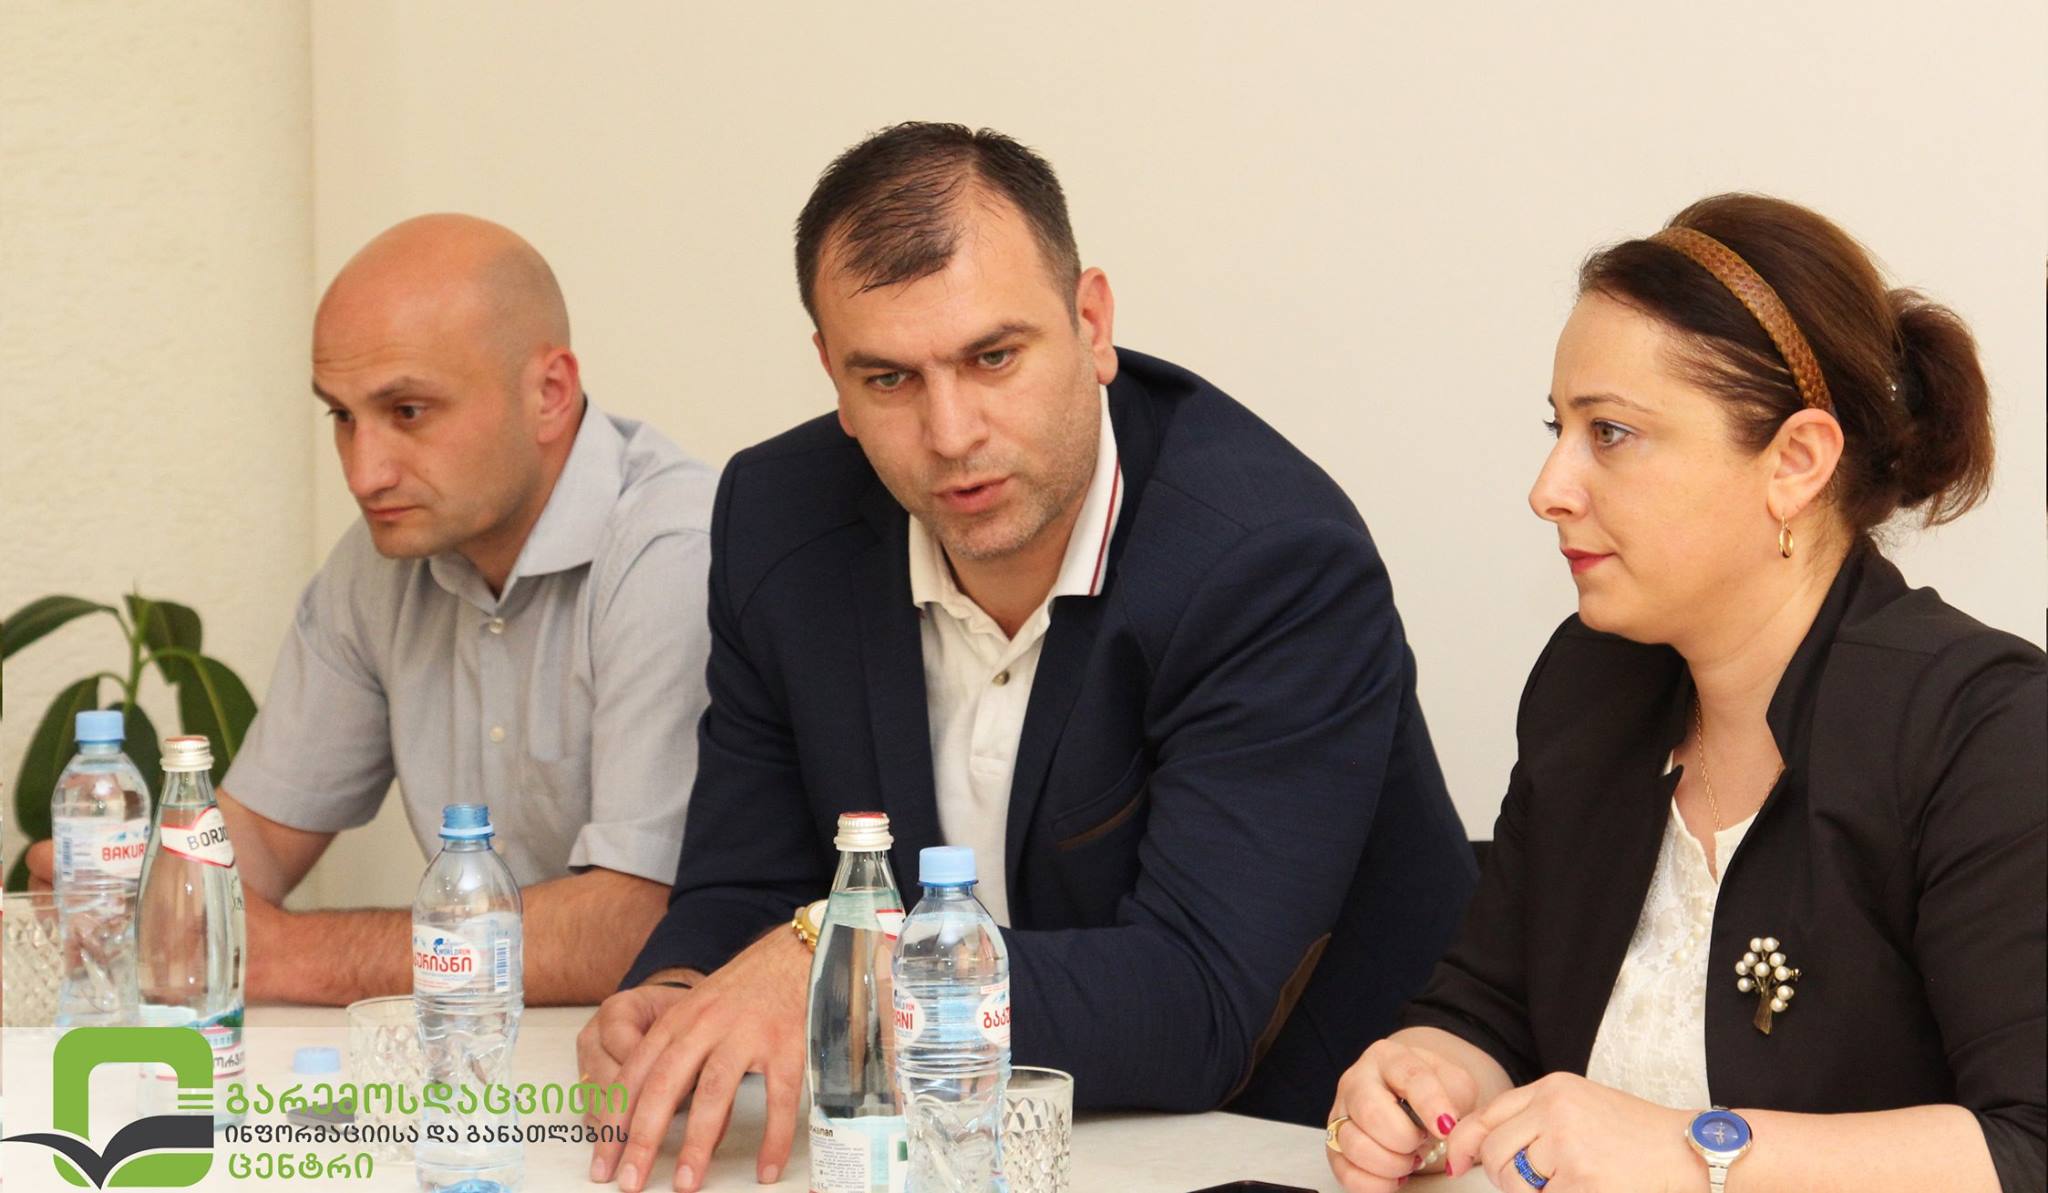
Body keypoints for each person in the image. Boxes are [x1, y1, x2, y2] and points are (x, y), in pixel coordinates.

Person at [575, 122, 1476, 1193]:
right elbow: (747, 877)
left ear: (1091, 324)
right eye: (888, 378)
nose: (951, 431)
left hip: (1283, 1148)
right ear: (832, 377)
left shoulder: (1268, 560)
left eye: (992, 357)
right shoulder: (779, 520)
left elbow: (1196, 1002)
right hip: (946, 1148)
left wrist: (851, 973)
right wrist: (683, 992)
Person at [1325, 195, 2045, 1193]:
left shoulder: (1985, 730)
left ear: (1795, 462)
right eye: (1560, 427)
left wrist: (1692, 1151)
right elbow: (1487, 1008)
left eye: (1611, 432)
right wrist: (1419, 1079)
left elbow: (2029, 1144)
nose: (1548, 487)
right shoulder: (1590, 684)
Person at [33, 214, 719, 1006]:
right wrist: (148, 896)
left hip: (665, 1055)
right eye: (342, 415)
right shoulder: (382, 557)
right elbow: (259, 835)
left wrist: (284, 953)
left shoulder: (675, 547)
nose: (364, 474)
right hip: (482, 1048)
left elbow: (635, 925)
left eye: (409, 412)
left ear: (549, 394)